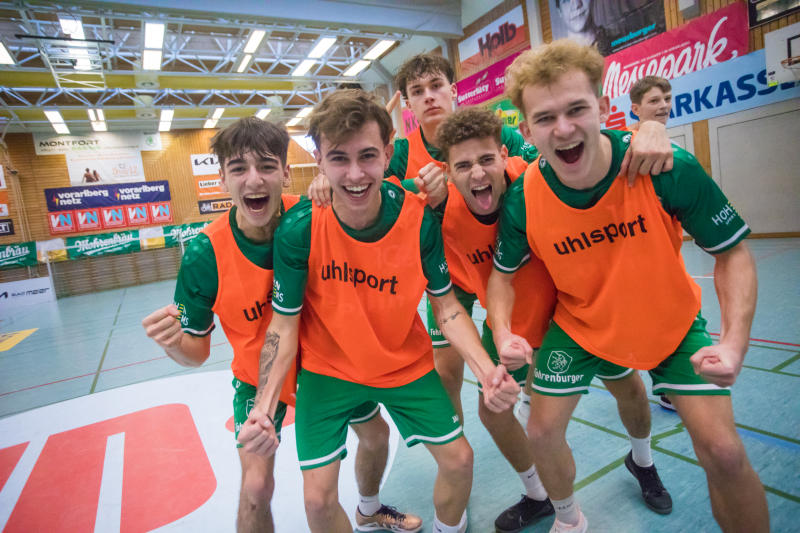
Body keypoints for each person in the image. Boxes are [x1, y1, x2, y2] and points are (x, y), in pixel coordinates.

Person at [308, 52, 676, 428]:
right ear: (407, 102)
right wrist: (326, 178)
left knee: (546, 348)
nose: (429, 96)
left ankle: (537, 405)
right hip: (450, 274)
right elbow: (366, 190)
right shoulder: (400, 153)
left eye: (436, 86)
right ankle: (452, 433)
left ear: (453, 90)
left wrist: (648, 130)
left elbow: (557, 158)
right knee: (447, 368)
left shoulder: (498, 135)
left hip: (504, 261)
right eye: (418, 91)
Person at [489, 39, 768, 533]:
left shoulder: (664, 167)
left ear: (603, 108)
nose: (564, 128)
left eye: (576, 109)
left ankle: (642, 461)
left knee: (724, 453)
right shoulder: (523, 199)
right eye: (546, 118)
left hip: (671, 322)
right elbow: (501, 278)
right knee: (542, 431)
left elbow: (733, 253)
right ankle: (569, 522)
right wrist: (503, 330)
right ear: (527, 130)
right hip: (580, 326)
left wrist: (733, 343)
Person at [237, 90, 520, 533]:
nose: (354, 174)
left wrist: (488, 372)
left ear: (388, 154)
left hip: (403, 363)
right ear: (320, 161)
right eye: (339, 159)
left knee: (460, 460)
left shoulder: (417, 217)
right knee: (317, 500)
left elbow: (447, 308)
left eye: (367, 156)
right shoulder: (299, 229)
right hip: (328, 371)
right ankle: (368, 511)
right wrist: (262, 407)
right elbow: (283, 325)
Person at [142, 117, 398, 533]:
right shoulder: (205, 255)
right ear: (222, 178)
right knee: (256, 487)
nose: (254, 179)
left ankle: (369, 509)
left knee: (377, 436)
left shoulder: (314, 214)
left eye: (266, 166)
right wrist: (172, 343)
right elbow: (196, 353)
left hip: (326, 367)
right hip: (258, 380)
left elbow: (376, 189)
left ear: (285, 172)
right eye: (238, 168)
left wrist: (332, 186)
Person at [433, 106, 673, 531]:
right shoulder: (438, 212)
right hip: (509, 325)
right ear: (447, 171)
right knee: (493, 409)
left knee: (630, 389)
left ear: (504, 155)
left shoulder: (534, 174)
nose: (478, 173)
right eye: (463, 165)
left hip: (577, 314)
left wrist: (650, 127)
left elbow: (592, 145)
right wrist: (323, 178)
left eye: (486, 159)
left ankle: (643, 460)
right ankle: (538, 494)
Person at [630, 75, 678, 411]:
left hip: (668, 254)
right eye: (654, 101)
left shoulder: (669, 147)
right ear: (635, 109)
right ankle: (666, 385)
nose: (663, 106)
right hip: (639, 257)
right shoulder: (629, 145)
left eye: (667, 99)